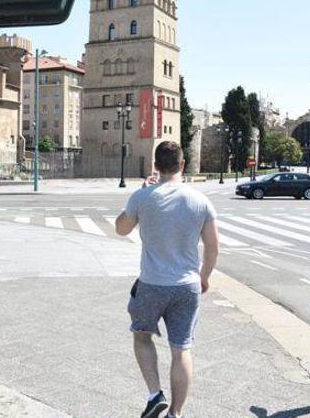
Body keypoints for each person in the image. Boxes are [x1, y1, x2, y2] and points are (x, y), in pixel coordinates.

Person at [115, 141, 220, 418]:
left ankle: (154, 393)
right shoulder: (200, 201)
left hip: (151, 283)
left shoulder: (144, 197)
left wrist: (140, 195)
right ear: (182, 165)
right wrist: (204, 276)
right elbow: (212, 247)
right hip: (187, 285)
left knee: (141, 335)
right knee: (181, 349)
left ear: (156, 166)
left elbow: (121, 229)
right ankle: (176, 413)